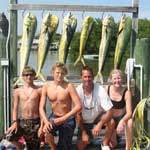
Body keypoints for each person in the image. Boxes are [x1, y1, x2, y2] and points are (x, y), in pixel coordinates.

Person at [39, 62, 82, 150]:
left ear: (65, 74)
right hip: (54, 116)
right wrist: (46, 122)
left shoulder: (69, 86)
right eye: (57, 73)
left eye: (62, 73)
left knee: (64, 146)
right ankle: (53, 148)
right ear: (53, 73)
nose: (59, 75)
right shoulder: (46, 87)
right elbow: (41, 107)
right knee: (46, 131)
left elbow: (78, 106)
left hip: (67, 118)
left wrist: (63, 118)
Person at [76, 66, 114, 150]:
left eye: (89, 76)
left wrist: (100, 124)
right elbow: (77, 115)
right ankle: (89, 137)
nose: (87, 79)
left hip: (97, 118)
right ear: (81, 78)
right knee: (80, 146)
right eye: (85, 77)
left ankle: (104, 143)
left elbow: (110, 111)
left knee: (111, 121)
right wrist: (83, 132)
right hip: (84, 122)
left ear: (93, 77)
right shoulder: (77, 91)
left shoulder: (100, 89)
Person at [5, 66, 42, 150]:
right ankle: (20, 147)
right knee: (9, 136)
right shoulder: (17, 91)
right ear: (22, 77)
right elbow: (15, 108)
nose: (28, 77)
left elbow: (42, 108)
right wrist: (14, 122)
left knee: (33, 147)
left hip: (35, 121)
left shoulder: (39, 90)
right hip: (22, 121)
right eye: (26, 75)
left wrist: (42, 124)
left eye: (31, 74)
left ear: (34, 76)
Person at [105, 69, 133, 150]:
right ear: (111, 80)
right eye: (115, 78)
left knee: (130, 122)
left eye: (119, 78)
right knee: (113, 145)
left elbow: (129, 113)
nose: (117, 81)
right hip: (111, 119)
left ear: (122, 79)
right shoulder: (106, 89)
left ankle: (128, 147)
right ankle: (115, 137)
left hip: (122, 117)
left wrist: (122, 121)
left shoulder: (126, 92)